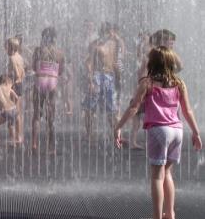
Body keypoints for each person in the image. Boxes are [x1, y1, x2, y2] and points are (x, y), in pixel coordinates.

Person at [114, 46, 202, 219]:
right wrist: (196, 133)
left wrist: (118, 127)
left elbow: (134, 107)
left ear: (152, 63)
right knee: (167, 173)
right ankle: (170, 213)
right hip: (177, 131)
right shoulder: (179, 84)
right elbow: (188, 111)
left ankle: (156, 216)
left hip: (159, 131)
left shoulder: (147, 83)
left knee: (156, 176)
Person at [82, 22, 118, 139]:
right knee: (90, 107)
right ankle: (89, 134)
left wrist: (118, 77)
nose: (109, 34)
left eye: (110, 32)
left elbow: (117, 62)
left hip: (110, 78)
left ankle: (115, 134)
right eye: (107, 32)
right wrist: (91, 80)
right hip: (97, 76)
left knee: (111, 108)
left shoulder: (114, 44)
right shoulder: (94, 45)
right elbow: (88, 62)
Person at [31, 27, 65, 154]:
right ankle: (51, 148)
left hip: (40, 80)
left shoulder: (38, 50)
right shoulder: (59, 53)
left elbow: (34, 67)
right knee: (51, 116)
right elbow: (61, 71)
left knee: (36, 115)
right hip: (52, 82)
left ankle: (34, 143)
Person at [5, 37, 25, 145]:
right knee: (18, 112)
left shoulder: (12, 58)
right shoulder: (20, 57)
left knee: (12, 112)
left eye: (6, 47)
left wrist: (8, 78)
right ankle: (19, 136)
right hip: (20, 85)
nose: (5, 50)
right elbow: (23, 73)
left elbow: (16, 74)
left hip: (14, 85)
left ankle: (14, 138)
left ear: (10, 47)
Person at [0, 74, 18, 150]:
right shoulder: (8, 87)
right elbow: (16, 97)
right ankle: (13, 142)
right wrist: (14, 104)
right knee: (11, 125)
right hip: (14, 110)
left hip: (6, 111)